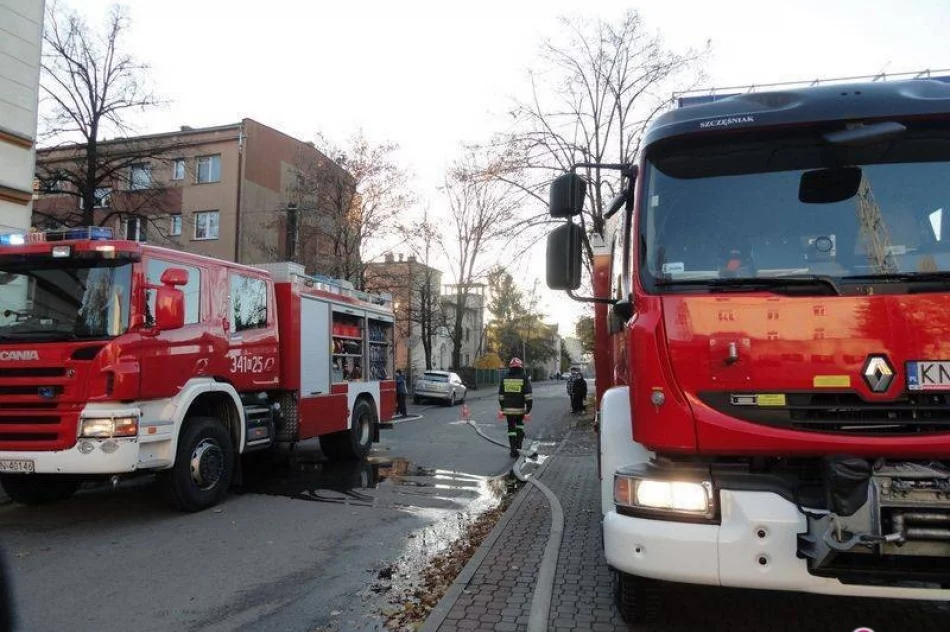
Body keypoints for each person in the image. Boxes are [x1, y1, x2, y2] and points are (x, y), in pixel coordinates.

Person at [498, 357, 533, 458]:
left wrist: (502, 406)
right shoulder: (524, 377)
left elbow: (501, 395)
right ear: (520, 367)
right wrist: (529, 407)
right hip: (520, 409)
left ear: (510, 367)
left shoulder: (505, 378)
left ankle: (513, 449)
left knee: (511, 428)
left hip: (508, 409)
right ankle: (519, 447)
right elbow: (528, 394)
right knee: (519, 426)